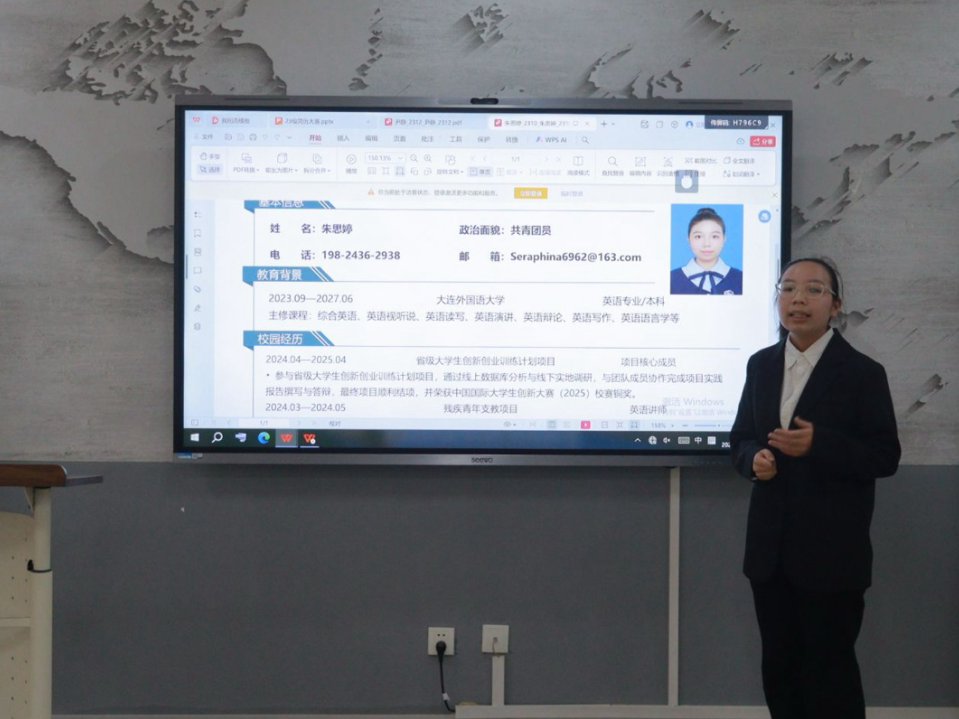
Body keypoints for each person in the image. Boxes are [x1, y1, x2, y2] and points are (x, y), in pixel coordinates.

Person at [730, 257, 901, 719]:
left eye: (813, 290)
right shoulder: (761, 365)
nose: (798, 299)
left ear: (835, 305)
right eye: (787, 289)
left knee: (831, 677)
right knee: (780, 672)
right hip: (770, 554)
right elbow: (741, 438)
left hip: (832, 556)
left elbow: (884, 456)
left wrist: (818, 444)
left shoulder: (863, 373)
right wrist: (753, 460)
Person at [670, 206, 743, 295]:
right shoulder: (671, 279)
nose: (706, 244)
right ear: (688, 239)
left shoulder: (740, 278)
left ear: (723, 240)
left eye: (714, 236)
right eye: (698, 236)